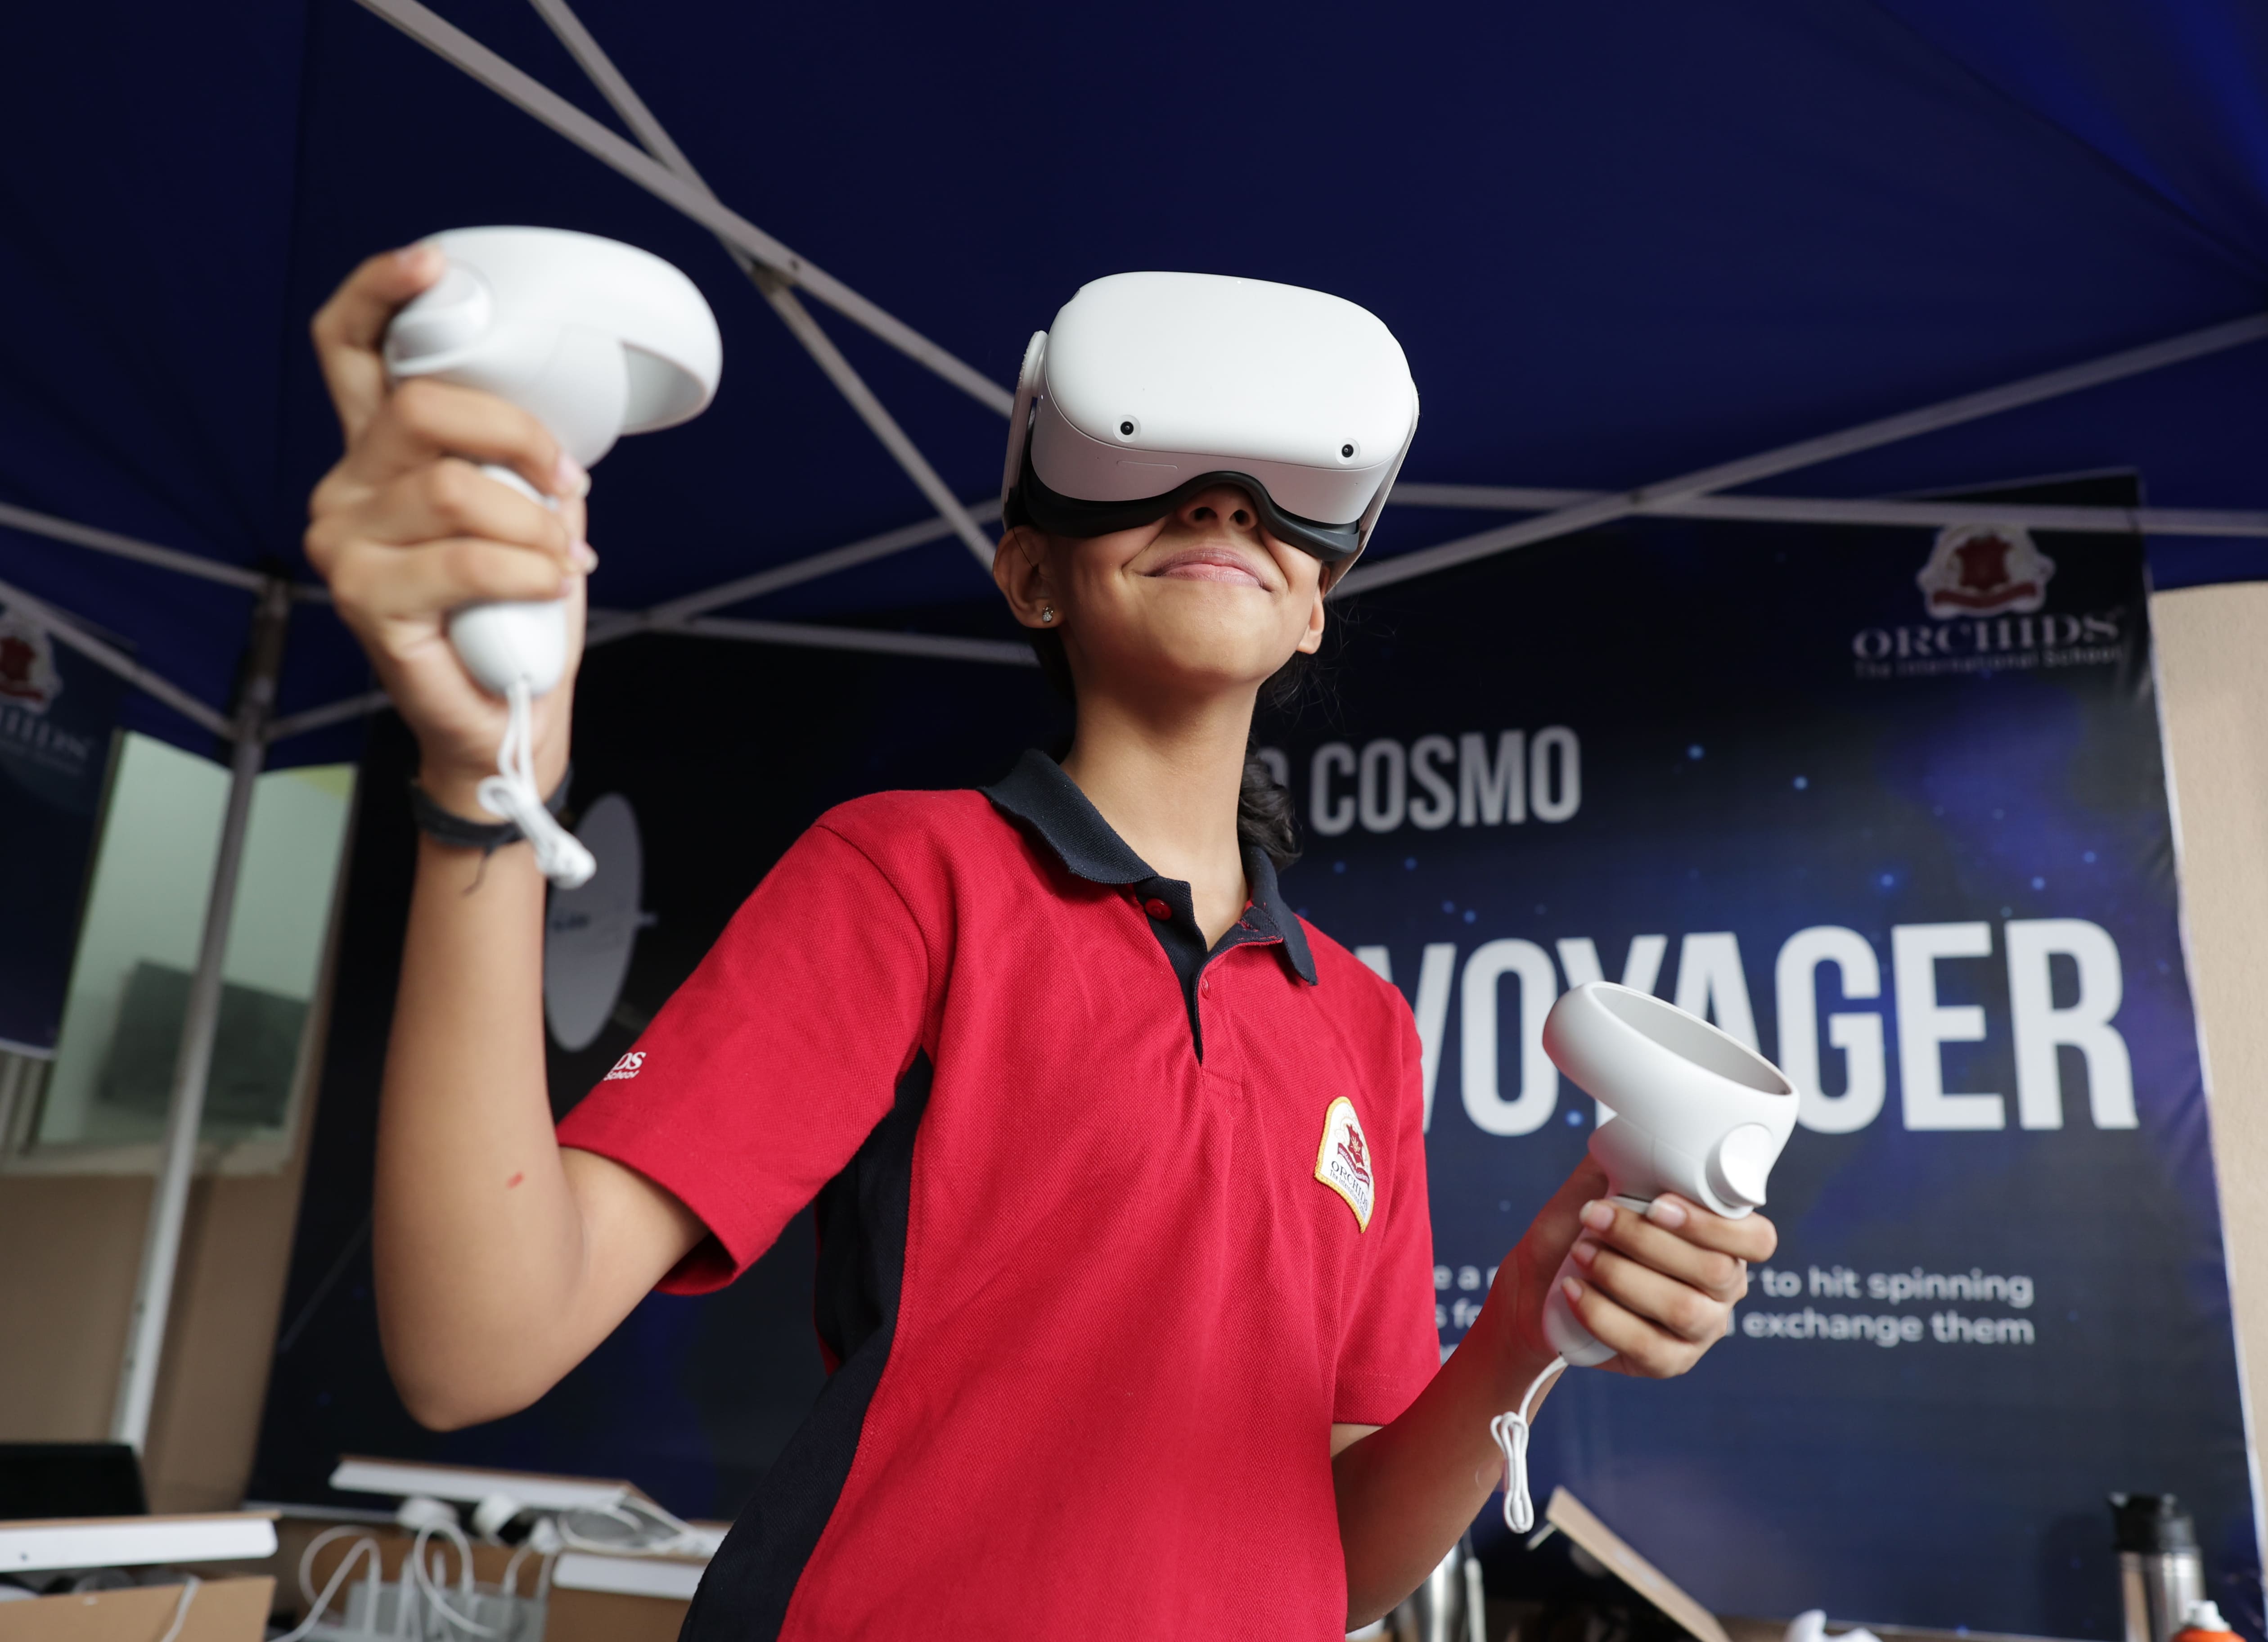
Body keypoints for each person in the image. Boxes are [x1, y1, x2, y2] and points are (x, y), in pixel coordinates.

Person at [302, 244, 1778, 1639]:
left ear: (1316, 602)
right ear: (1030, 575)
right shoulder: (907, 875)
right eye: (1163, 483)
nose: (1222, 507)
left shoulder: (1365, 1030)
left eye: (1273, 500)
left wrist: (1525, 1319)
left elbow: (1337, 1567)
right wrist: (479, 786)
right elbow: (474, 1342)